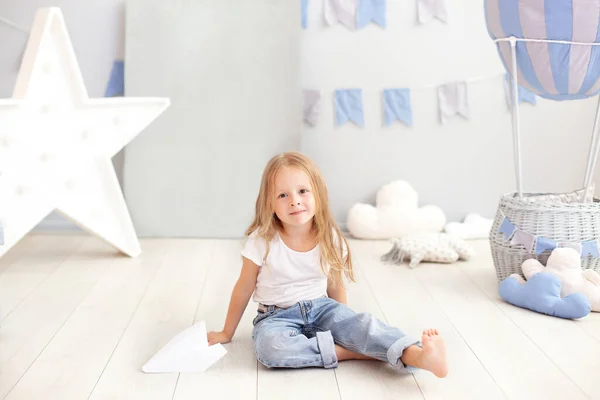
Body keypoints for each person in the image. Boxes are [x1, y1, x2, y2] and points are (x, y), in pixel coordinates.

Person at [207, 151, 448, 377]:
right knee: (271, 348)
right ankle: (350, 352)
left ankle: (419, 356)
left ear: (318, 195)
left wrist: (345, 323)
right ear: (269, 203)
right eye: (283, 195)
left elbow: (335, 284)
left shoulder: (328, 236)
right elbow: (244, 287)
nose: (294, 201)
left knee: (365, 326)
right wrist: (227, 331)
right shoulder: (262, 240)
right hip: (275, 317)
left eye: (302, 191)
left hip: (322, 309)